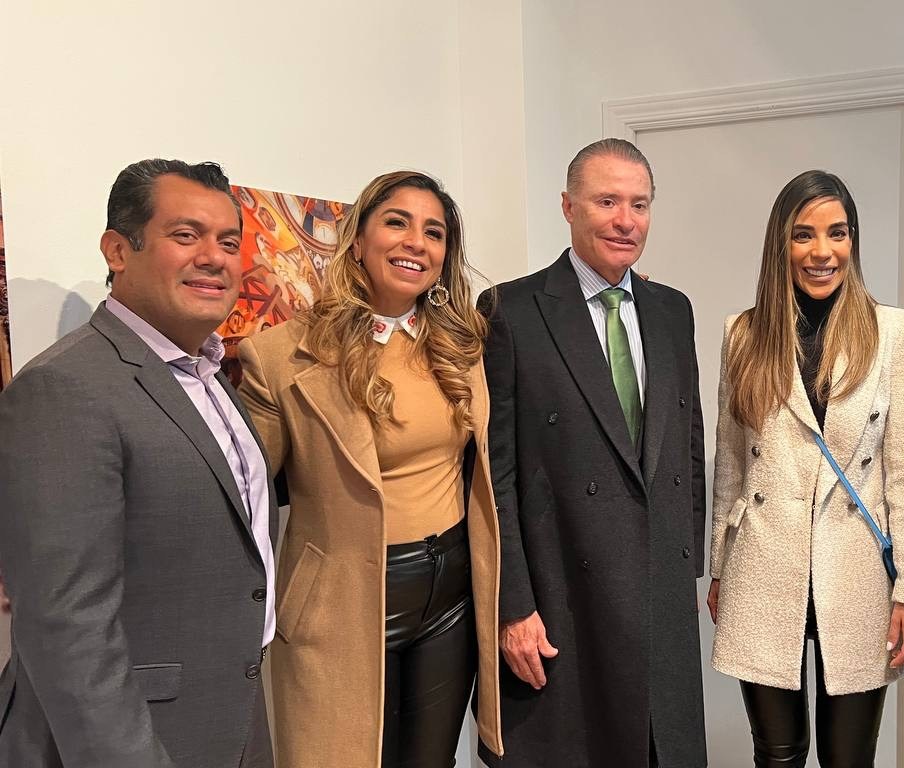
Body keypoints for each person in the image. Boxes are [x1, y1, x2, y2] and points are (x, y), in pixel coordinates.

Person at [0, 158, 276, 767]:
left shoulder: (207, 375)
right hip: (135, 738)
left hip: (228, 718)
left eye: (229, 242)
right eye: (186, 235)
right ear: (118, 250)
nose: (214, 257)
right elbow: (65, 623)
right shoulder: (64, 388)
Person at [237, 171, 502, 768]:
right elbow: (241, 496)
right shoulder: (279, 356)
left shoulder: (463, 342)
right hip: (345, 598)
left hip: (451, 591)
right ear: (357, 239)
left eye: (433, 232)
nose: (416, 243)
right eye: (397, 223)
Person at [477, 138, 706, 768]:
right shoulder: (511, 311)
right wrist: (512, 606)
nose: (625, 220)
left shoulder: (672, 310)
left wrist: (685, 566)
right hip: (560, 596)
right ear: (568, 206)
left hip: (658, 590)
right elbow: (495, 475)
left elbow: (687, 449)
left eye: (639, 204)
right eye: (607, 201)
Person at [706, 170, 904, 767]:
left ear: (853, 240)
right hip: (763, 563)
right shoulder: (744, 333)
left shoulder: (895, 332)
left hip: (858, 569)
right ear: (780, 244)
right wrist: (720, 568)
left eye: (838, 232)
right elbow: (731, 464)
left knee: (848, 758)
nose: (822, 251)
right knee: (776, 754)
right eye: (803, 234)